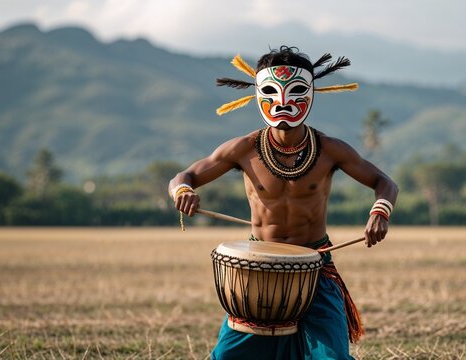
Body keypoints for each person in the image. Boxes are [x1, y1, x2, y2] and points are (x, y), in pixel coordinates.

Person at [168, 46, 398, 360]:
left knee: (333, 359)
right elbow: (185, 175)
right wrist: (183, 192)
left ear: (313, 94)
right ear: (256, 95)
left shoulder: (331, 149)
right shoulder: (242, 148)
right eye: (271, 92)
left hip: (316, 266)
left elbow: (385, 183)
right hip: (257, 270)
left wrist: (380, 212)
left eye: (297, 91)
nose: (284, 102)